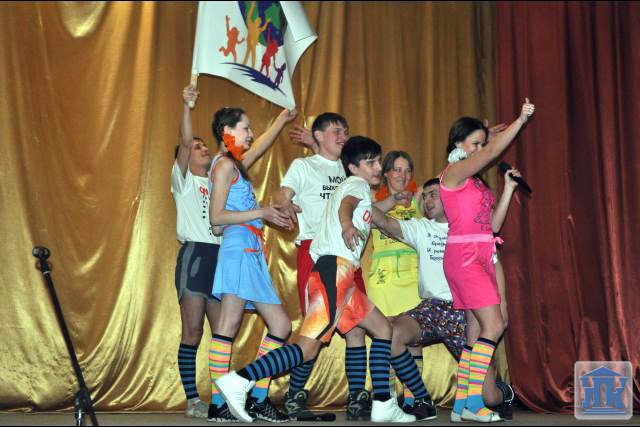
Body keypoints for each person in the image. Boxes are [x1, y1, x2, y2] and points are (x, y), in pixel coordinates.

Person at [214, 136, 416, 424]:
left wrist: (394, 206)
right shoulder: (356, 185)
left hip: (343, 275)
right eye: (369, 162)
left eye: (377, 161)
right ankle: (240, 379)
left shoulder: (357, 189)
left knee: (383, 329)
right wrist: (346, 225)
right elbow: (346, 205)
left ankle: (383, 403)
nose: (376, 168)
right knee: (307, 347)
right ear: (353, 167)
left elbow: (372, 215)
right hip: (335, 271)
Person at [372, 178, 517, 421]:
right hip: (431, 308)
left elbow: (494, 267)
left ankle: (504, 392)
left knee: (488, 397)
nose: (427, 200)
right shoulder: (421, 228)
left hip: (465, 312)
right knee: (392, 334)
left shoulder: (471, 231)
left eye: (434, 194)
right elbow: (384, 222)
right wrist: (356, 200)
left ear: (451, 197)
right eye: (425, 195)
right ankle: (421, 399)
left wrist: (502, 311)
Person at [439, 99, 535, 422]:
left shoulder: (476, 181)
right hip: (465, 256)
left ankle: (460, 406)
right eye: (474, 144)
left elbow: (492, 226)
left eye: (482, 143)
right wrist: (520, 121)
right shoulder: (453, 174)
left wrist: (507, 189)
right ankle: (473, 403)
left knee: (476, 332)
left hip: (483, 252)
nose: (481, 149)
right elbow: (493, 152)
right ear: (458, 145)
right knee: (494, 325)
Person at [274, 114, 372, 420]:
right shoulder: (303, 166)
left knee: (357, 326)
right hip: (316, 252)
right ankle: (293, 395)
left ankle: (357, 396)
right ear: (318, 135)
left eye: (346, 131)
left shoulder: (349, 169)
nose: (343, 135)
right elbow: (282, 194)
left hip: (348, 253)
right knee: (315, 328)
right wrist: (285, 203)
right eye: (336, 131)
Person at [207, 105, 297, 422]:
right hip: (240, 251)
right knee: (229, 326)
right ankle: (219, 403)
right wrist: (262, 212)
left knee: (280, 326)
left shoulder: (233, 166)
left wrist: (281, 119)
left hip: (249, 250)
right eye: (245, 128)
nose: (250, 134)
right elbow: (216, 219)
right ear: (227, 132)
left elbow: (257, 149)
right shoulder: (223, 166)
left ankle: (255, 397)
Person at [171, 85, 220, 418]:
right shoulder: (184, 180)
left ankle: (220, 398)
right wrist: (187, 106)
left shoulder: (220, 185)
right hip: (196, 258)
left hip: (221, 258)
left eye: (206, 146)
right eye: (197, 147)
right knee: (193, 331)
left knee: (223, 333)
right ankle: (192, 400)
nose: (203, 149)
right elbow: (185, 142)